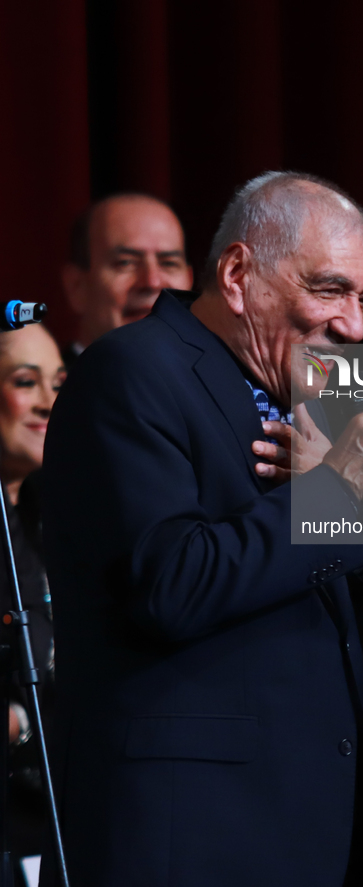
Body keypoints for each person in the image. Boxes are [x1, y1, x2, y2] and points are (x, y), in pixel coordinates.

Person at [40, 171, 363, 887]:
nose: (353, 325)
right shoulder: (132, 371)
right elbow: (169, 585)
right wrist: (332, 493)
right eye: (330, 289)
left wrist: (349, 517)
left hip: (305, 826)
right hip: (196, 835)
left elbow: (353, 634)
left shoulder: (307, 400)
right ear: (239, 274)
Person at [0, 324, 65, 870]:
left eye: (58, 383)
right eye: (26, 381)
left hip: (49, 827)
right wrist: (20, 719)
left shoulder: (51, 515)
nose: (49, 402)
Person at [61, 193, 193, 366]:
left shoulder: (219, 383)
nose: (152, 282)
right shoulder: (52, 391)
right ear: (76, 287)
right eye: (125, 263)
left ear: (190, 281)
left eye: (169, 263)